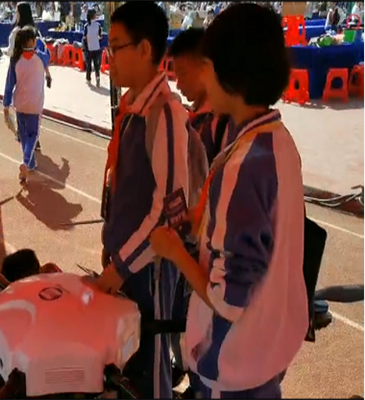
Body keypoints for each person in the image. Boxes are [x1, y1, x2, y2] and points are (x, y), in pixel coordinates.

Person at [150, 4, 307, 399]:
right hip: (266, 352)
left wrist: (174, 252)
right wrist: (203, 223)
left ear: (229, 73)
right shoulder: (278, 141)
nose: (201, 78)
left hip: (232, 364)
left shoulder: (241, 166)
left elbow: (228, 299)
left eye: (205, 67)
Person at [94, 2, 197, 398]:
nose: (109, 56)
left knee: (150, 373)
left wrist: (119, 268)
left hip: (146, 271)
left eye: (116, 46)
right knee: (128, 365)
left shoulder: (164, 114)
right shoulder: (133, 109)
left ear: (144, 49)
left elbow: (167, 214)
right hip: (125, 264)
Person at [169, 28, 231, 165]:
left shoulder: (222, 123)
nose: (178, 85)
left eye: (183, 74)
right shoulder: (191, 115)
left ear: (206, 67)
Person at [3, 27, 49, 185]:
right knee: (33, 135)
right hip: (35, 104)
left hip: (20, 103)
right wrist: (42, 42)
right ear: (30, 41)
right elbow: (48, 54)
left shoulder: (15, 60)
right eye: (34, 39)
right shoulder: (40, 57)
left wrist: (6, 104)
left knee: (23, 135)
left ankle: (30, 162)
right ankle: (26, 161)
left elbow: (9, 85)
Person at [6, 2, 50, 150]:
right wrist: (47, 72)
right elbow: (44, 52)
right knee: (36, 103)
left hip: (22, 70)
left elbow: (11, 51)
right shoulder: (35, 32)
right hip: (36, 73)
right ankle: (34, 137)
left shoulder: (17, 32)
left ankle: (25, 134)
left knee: (22, 102)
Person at [83, 8, 103, 87]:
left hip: (89, 48)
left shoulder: (86, 26)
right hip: (96, 47)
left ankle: (88, 78)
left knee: (88, 64)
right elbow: (100, 36)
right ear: (94, 16)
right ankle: (98, 78)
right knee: (96, 65)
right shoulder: (98, 25)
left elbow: (84, 37)